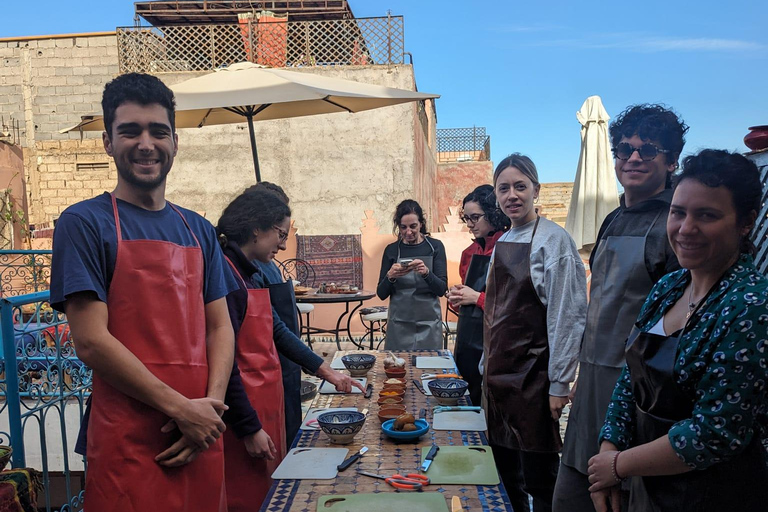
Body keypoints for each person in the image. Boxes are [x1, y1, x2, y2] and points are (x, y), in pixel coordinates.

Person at [49, 73, 237, 511]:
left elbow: (220, 326)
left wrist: (208, 411)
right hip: (129, 440)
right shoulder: (83, 223)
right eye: (129, 131)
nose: (146, 143)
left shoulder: (199, 229)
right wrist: (181, 410)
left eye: (158, 131)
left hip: (201, 432)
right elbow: (91, 341)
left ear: (176, 140)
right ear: (108, 142)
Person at [587, 149, 768, 512]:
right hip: (649, 483)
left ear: (746, 222)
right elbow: (630, 376)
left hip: (712, 495)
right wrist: (611, 445)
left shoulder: (751, 305)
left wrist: (619, 466)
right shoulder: (669, 286)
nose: (686, 229)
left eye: (707, 215)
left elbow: (714, 433)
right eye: (678, 212)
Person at [554, 104, 688, 512]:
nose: (633, 158)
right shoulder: (611, 218)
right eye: (624, 149)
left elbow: (676, 332)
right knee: (569, 501)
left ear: (671, 161)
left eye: (648, 150)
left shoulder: (677, 225)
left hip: (639, 400)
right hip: (591, 387)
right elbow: (600, 309)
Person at [217, 188, 364, 511]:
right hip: (242, 413)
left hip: (266, 403)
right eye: (280, 234)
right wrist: (249, 427)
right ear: (257, 227)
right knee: (248, 497)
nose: (284, 244)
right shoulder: (224, 275)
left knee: (271, 491)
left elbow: (276, 330)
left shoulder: (250, 273)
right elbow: (223, 364)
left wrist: (327, 371)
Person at [484, 153, 587, 512]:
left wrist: (559, 383)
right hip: (498, 378)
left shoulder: (554, 241)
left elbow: (567, 315)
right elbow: (497, 311)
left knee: (540, 478)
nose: (512, 195)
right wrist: (487, 360)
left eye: (520, 186)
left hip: (534, 380)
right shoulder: (502, 241)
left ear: (536, 190)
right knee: (505, 474)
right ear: (496, 196)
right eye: (504, 188)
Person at [245, 181, 304, 445]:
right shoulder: (242, 270)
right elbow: (274, 327)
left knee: (289, 434)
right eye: (280, 234)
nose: (282, 246)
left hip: (284, 366)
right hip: (260, 374)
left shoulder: (267, 262)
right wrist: (320, 366)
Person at [447, 184, 509, 406]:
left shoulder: (509, 249)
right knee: (465, 394)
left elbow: (513, 305)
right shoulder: (468, 254)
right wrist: (457, 299)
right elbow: (467, 296)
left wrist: (476, 298)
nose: (470, 224)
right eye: (467, 218)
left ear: (493, 213)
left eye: (475, 217)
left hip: (496, 339)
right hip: (467, 337)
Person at [377, 199, 448, 350]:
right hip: (399, 325)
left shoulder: (435, 247)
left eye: (413, 226)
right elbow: (381, 293)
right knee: (397, 370)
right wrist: (390, 276)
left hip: (429, 324)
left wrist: (427, 273)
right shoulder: (392, 250)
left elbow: (441, 289)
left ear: (421, 224)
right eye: (403, 227)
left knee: (428, 368)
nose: (408, 232)